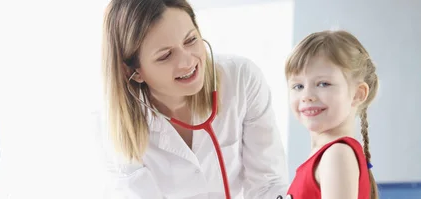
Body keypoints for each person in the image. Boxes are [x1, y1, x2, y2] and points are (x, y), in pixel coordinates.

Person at [99, 0, 288, 198]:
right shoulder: (112, 126)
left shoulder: (241, 78)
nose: (188, 61)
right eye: (165, 55)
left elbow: (269, 184)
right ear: (134, 71)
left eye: (190, 40)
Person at [282, 30, 380, 199]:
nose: (307, 96)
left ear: (357, 94)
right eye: (298, 86)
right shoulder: (328, 155)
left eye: (323, 83)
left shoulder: (336, 155)